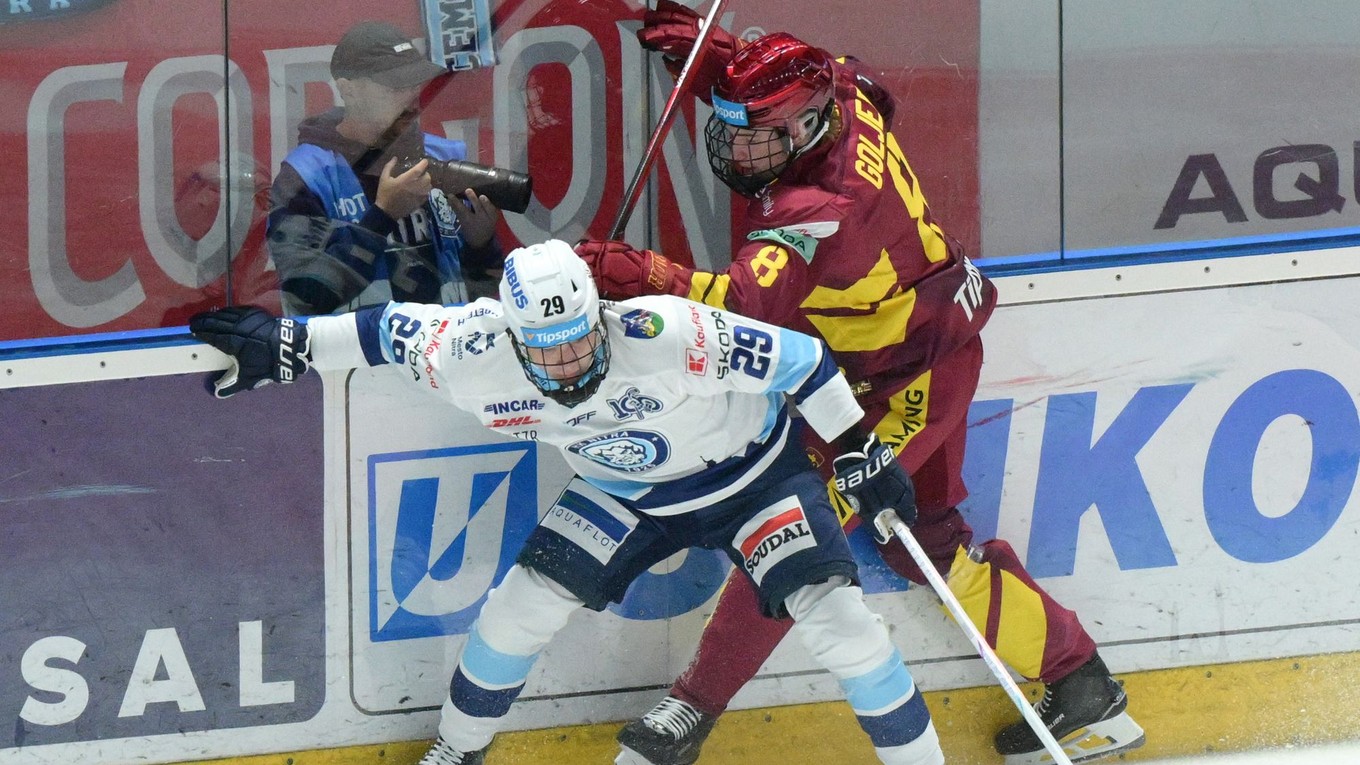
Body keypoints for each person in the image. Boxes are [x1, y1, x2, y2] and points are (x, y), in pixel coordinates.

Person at [574, 9, 1146, 765]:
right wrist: (724, 63)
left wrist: (644, 275)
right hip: (926, 346)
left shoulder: (818, 211)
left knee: (788, 534)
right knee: (928, 543)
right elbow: (829, 80)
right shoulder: (842, 93)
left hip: (905, 384)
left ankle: (692, 706)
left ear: (809, 130)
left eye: (757, 135)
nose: (738, 151)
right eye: (737, 127)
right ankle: (1082, 686)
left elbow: (747, 308)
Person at [188, 240, 952, 765]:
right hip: (626, 491)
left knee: (843, 626)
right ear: (513, 338)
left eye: (581, 343)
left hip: (751, 474)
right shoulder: (472, 351)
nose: (568, 365)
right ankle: (458, 748)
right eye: (546, 351)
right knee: (518, 609)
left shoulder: (666, 330)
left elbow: (803, 359)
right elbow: (387, 330)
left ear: (600, 315)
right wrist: (289, 345)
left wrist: (854, 446)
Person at [267, 19, 504, 317]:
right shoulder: (304, 177)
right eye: (394, 85)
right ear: (348, 90)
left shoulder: (446, 155)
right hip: (359, 361)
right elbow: (305, 297)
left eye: (413, 82)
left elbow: (482, 295)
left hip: (448, 355)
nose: (411, 97)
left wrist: (480, 245)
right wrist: (381, 217)